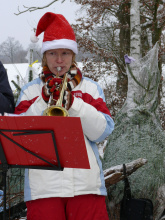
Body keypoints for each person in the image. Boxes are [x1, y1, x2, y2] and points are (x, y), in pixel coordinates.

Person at [15, 12, 114, 220]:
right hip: (43, 189)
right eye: (52, 54)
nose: (59, 61)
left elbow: (102, 132)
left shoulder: (90, 88)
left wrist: (75, 105)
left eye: (65, 53)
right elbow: (18, 135)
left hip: (87, 187)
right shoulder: (30, 92)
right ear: (44, 56)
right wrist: (43, 100)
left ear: (73, 56)